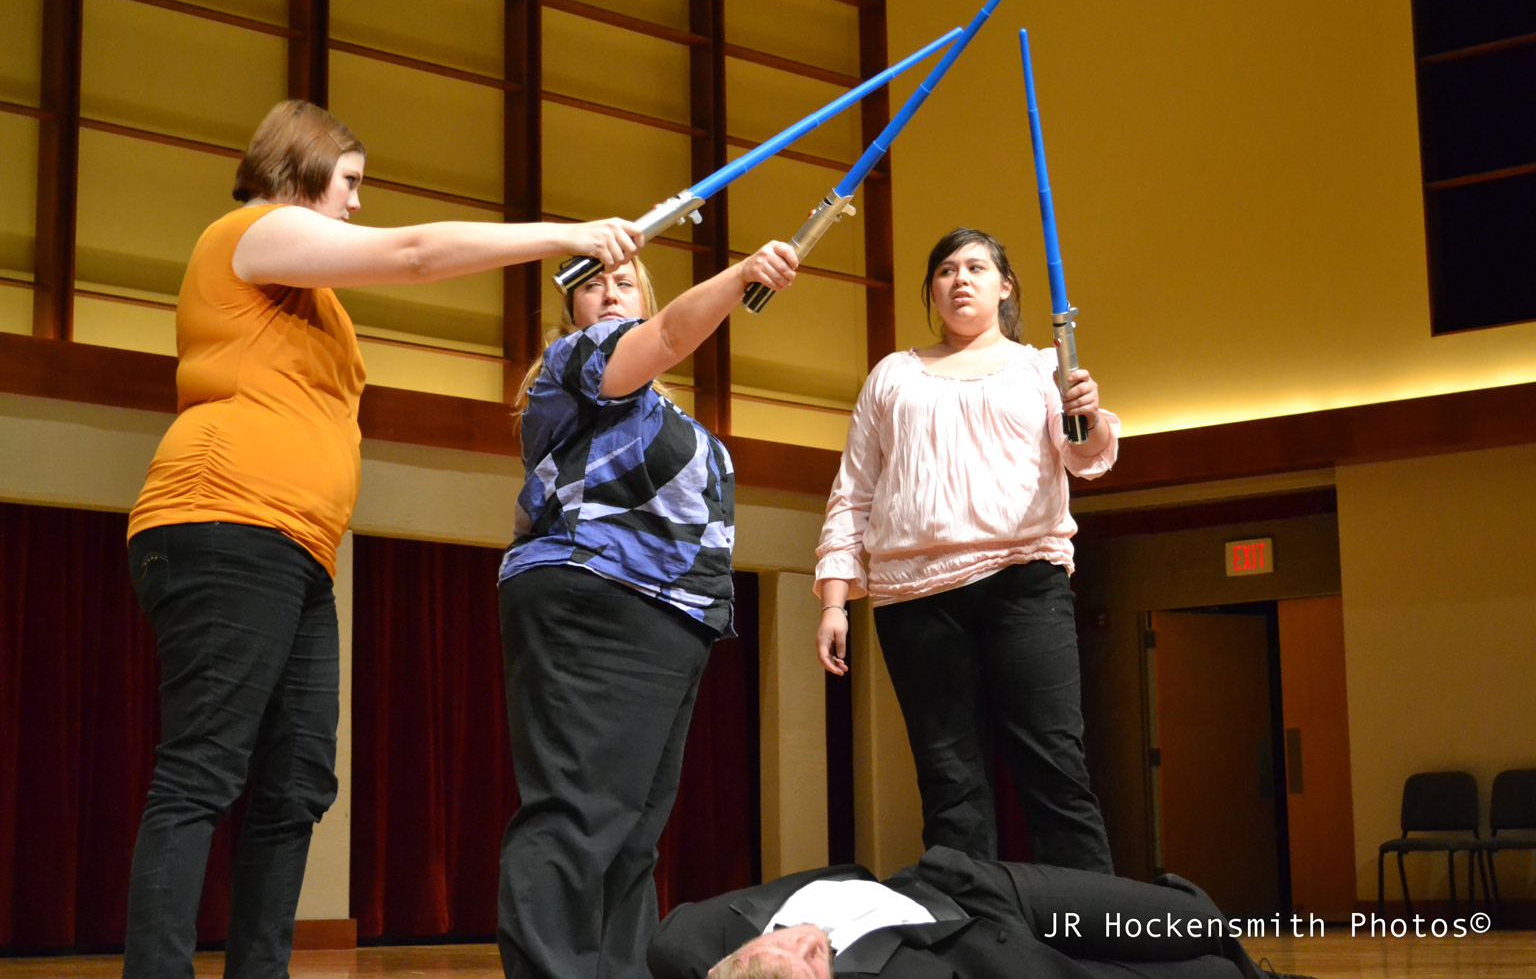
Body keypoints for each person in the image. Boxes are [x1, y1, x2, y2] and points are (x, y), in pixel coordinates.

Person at [123, 98, 643, 979]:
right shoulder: (250, 232)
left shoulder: (309, 290)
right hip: (222, 518)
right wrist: (568, 234)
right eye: (352, 182)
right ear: (302, 164)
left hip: (298, 546)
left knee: (296, 784)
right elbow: (413, 253)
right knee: (204, 771)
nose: (359, 202)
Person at [496, 243, 798, 979]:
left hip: (669, 617)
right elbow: (663, 337)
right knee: (578, 813)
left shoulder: (665, 410)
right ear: (571, 306)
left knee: (632, 831)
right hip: (595, 594)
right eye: (593, 285)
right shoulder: (577, 361)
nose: (608, 294)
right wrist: (740, 275)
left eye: (625, 282)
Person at [814, 227, 1117, 871]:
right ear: (931, 289)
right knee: (949, 779)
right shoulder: (892, 375)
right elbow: (854, 490)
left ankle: (1099, 940)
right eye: (946, 270)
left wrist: (1087, 414)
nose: (960, 279)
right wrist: (835, 600)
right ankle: (975, 938)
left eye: (976, 267)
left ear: (1005, 286)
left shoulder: (1043, 369)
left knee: (1054, 765)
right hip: (913, 597)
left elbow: (1085, 460)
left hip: (1023, 582)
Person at [648, 845, 1313, 979]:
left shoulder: (685, 942)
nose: (808, 940)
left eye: (783, 944)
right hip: (1000, 957)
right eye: (815, 961)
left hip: (977, 888)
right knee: (1209, 973)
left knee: (1194, 921)